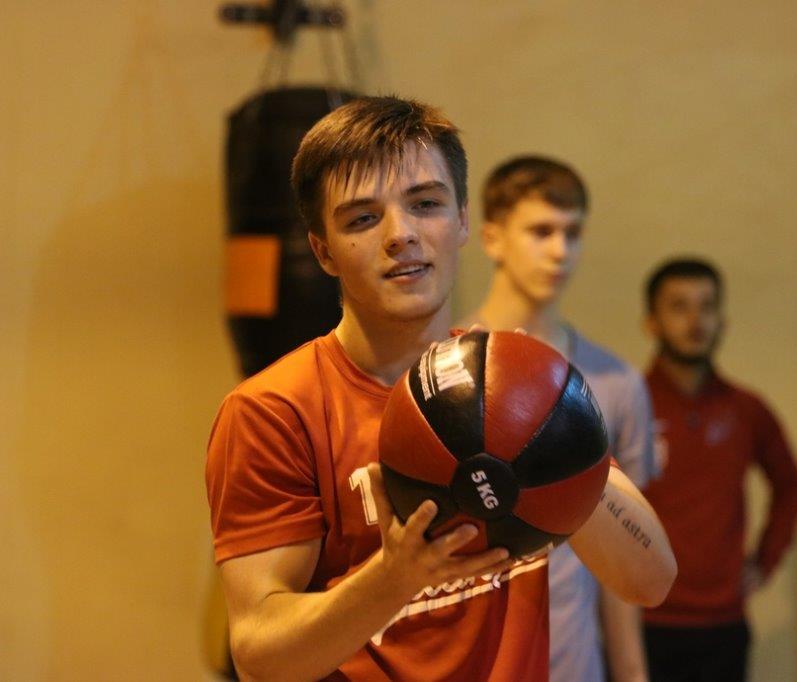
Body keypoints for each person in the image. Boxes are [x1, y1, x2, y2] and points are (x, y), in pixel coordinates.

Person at [205, 96, 677, 682]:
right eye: (362, 218)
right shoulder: (274, 411)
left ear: (462, 221)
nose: (400, 234)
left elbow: (650, 580)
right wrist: (394, 578)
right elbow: (258, 654)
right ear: (323, 251)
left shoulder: (521, 384)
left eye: (425, 204)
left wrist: (554, 439)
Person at [463, 155, 658, 682]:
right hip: (470, 659)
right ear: (492, 238)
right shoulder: (443, 371)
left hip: (572, 661)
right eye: (540, 231)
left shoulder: (616, 382)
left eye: (572, 233)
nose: (559, 251)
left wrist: (632, 672)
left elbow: (622, 563)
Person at [641, 258, 797, 682]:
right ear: (651, 323)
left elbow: (790, 486)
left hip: (722, 622)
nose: (696, 320)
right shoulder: (628, 403)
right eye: (679, 306)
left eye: (707, 306)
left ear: (722, 321)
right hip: (642, 619)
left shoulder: (746, 410)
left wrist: (765, 561)